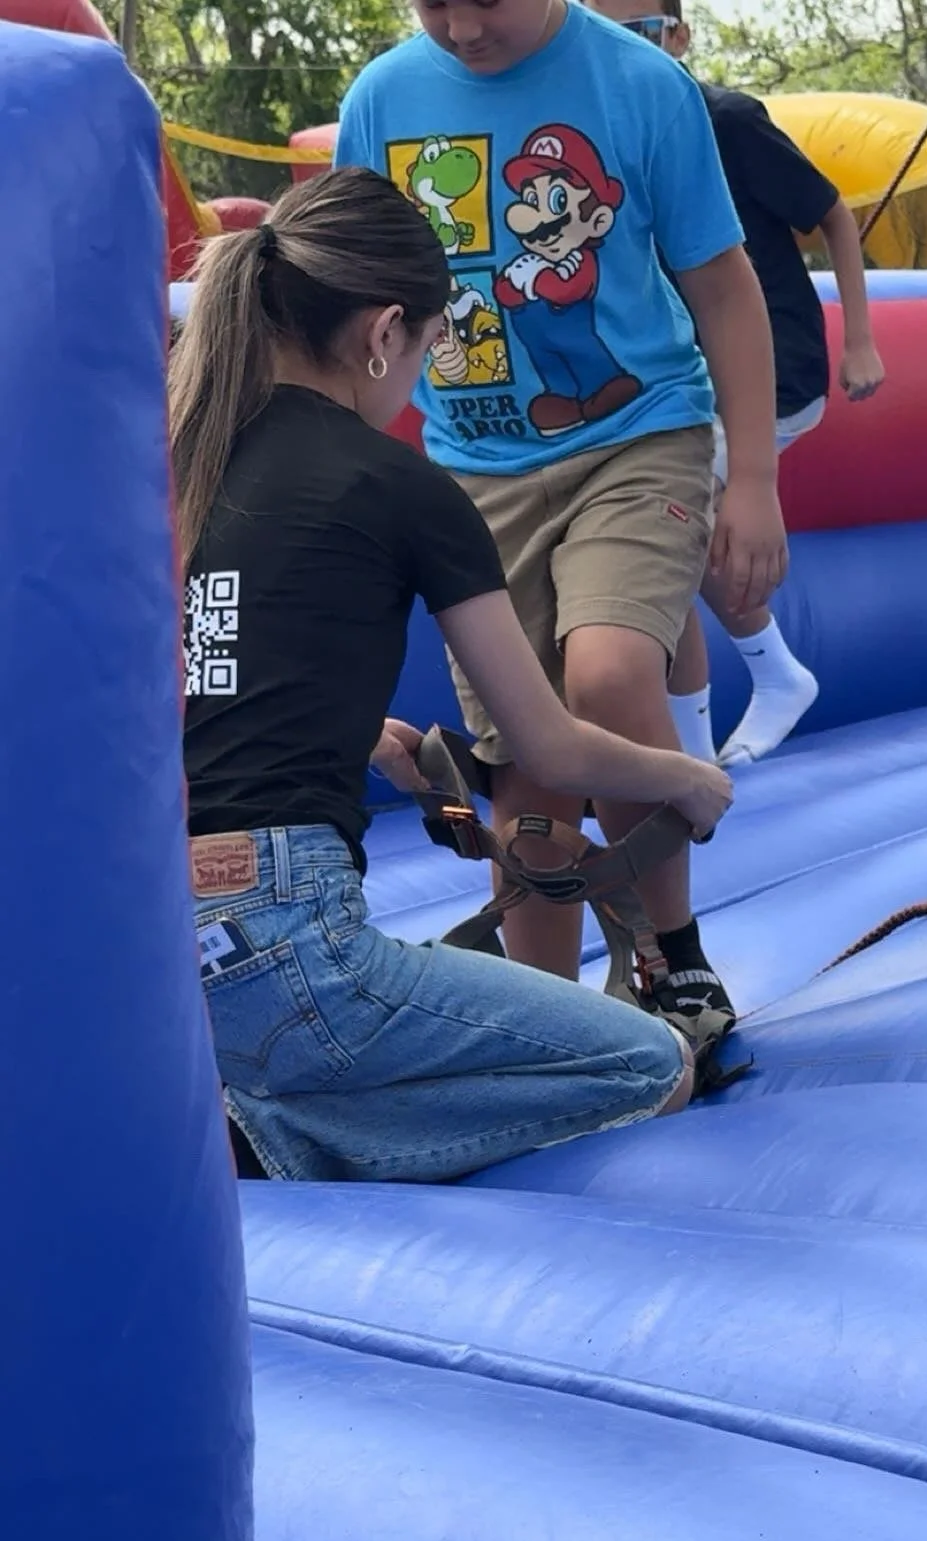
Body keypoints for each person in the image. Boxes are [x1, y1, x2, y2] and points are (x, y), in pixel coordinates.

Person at [174, 167, 734, 1183]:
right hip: (293, 954)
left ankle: (251, 1111)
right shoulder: (401, 485)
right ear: (386, 330)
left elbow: (201, 675)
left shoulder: (191, 459)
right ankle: (276, 1138)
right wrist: (687, 779)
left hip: (159, 958)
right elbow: (547, 744)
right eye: (433, 345)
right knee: (648, 1063)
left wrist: (363, 732)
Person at [334, 0, 786, 1036]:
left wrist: (752, 477)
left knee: (610, 674)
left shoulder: (639, 83)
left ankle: (673, 957)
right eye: (431, 2)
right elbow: (344, 296)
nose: (459, 27)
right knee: (528, 767)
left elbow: (722, 285)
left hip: (637, 437)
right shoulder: (384, 102)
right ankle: (551, 1016)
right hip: (475, 468)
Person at [587, 0, 886, 768]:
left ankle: (738, 708)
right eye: (609, 30)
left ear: (678, 36)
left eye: (645, 31)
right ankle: (732, 713)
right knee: (662, 539)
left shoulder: (725, 118)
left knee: (661, 533)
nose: (629, 48)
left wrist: (859, 341)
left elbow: (834, 216)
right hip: (682, 375)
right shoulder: (603, 130)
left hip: (768, 366)